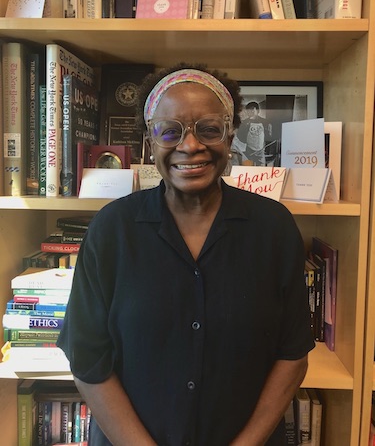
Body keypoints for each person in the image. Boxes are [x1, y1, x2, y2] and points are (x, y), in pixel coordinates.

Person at [57, 63, 315, 446]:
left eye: (209, 129)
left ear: (230, 136)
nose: (190, 146)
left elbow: (293, 354)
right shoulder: (112, 231)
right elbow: (88, 357)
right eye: (169, 131)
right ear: (150, 140)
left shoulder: (273, 228)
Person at [235, 101, 272, 166]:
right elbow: (240, 135)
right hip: (249, 150)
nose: (251, 112)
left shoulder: (265, 122)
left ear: (257, 110)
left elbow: (268, 136)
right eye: (249, 110)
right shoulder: (244, 123)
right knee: (248, 168)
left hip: (261, 150)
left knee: (261, 168)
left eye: (253, 109)